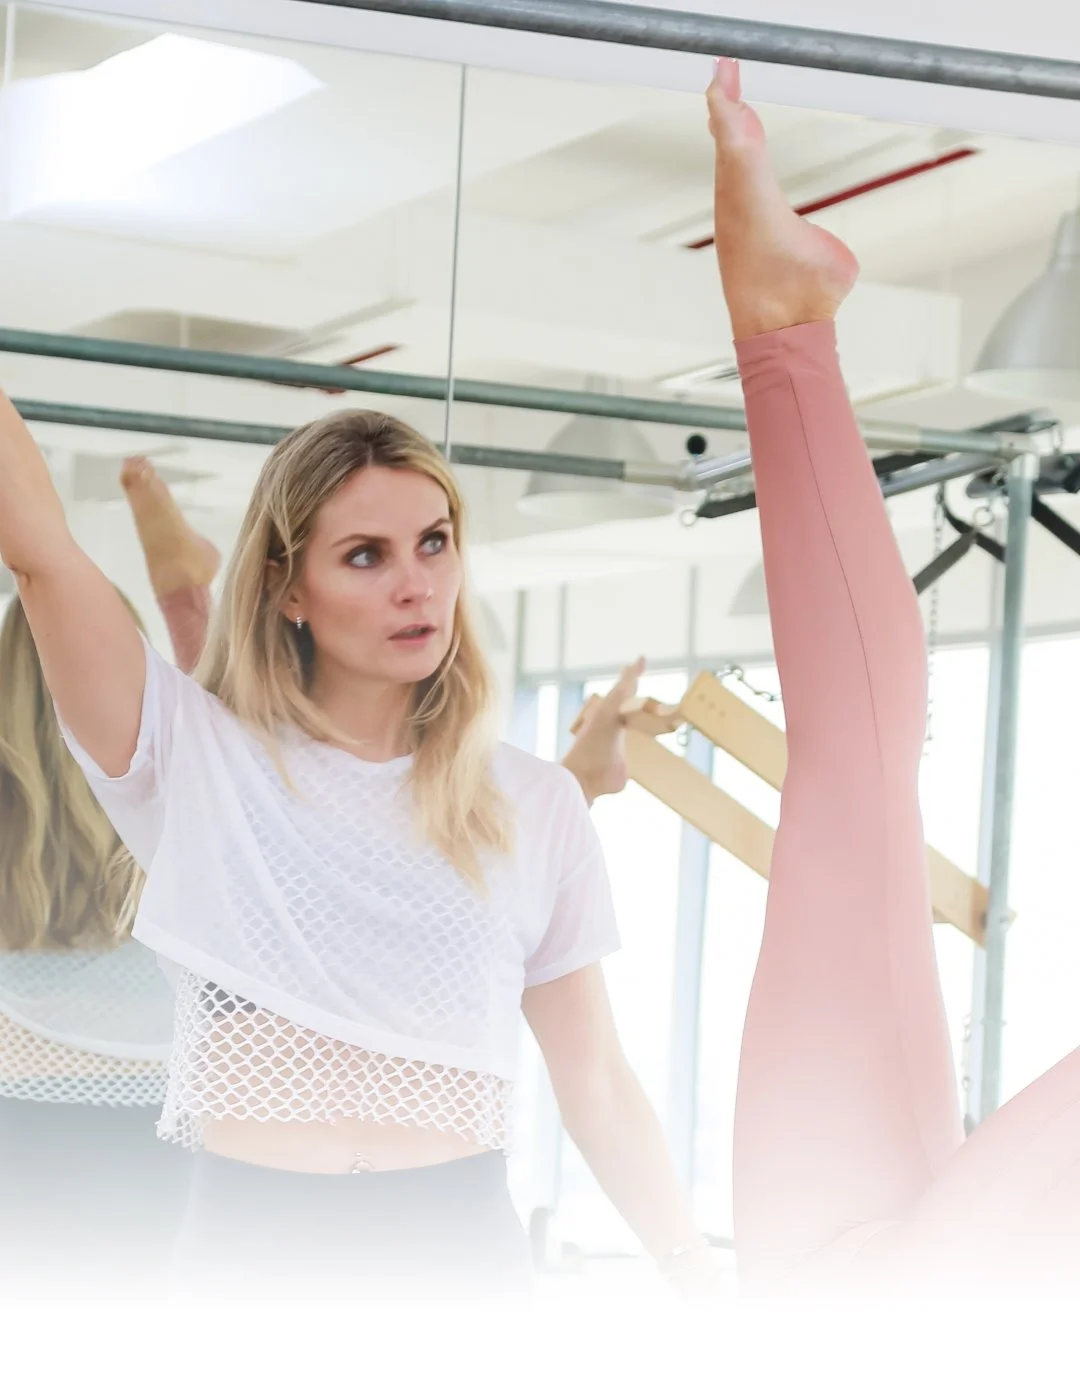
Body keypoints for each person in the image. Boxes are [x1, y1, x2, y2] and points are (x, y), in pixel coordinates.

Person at [0, 386, 719, 1297]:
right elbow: (43, 559)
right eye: (365, 555)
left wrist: (691, 1268)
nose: (416, 583)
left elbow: (597, 1080)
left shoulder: (536, 803)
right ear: (287, 588)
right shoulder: (194, 757)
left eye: (434, 541)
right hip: (250, 1258)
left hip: (458, 1261)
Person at [706, 57, 1080, 1292]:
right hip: (928, 1339)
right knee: (852, 772)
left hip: (822, 1288)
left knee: (851, 770)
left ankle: (780, 325)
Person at [0, 457, 217, 1290]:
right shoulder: (180, 797)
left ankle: (188, 589)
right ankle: (188, 594)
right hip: (167, 1124)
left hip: (24, 1124)